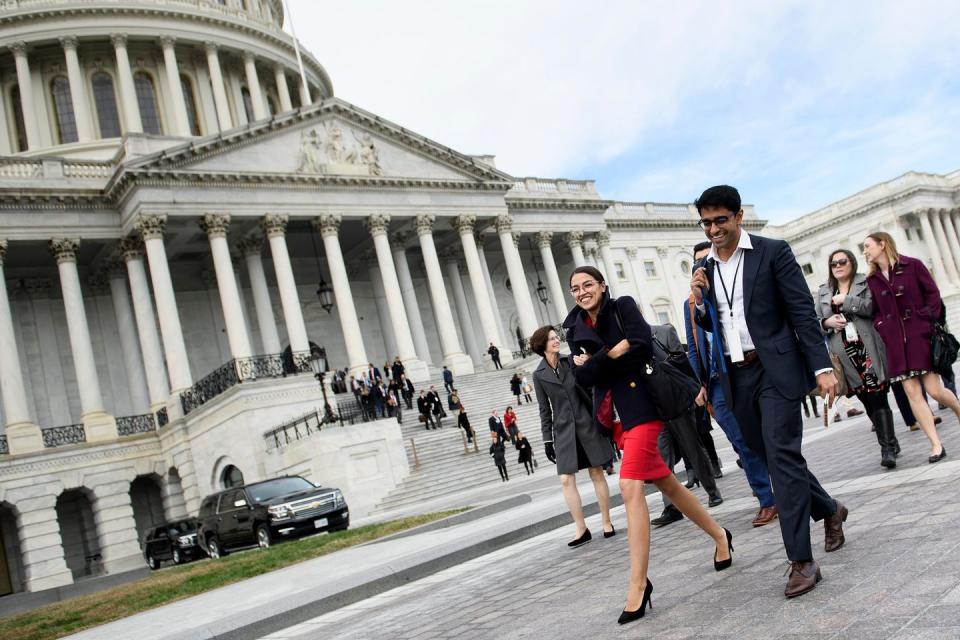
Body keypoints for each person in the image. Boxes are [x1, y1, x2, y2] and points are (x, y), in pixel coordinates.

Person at [690, 185, 845, 598]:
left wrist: (822, 366)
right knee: (768, 456)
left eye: (721, 219)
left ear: (739, 216)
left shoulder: (773, 252)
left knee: (781, 454)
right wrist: (700, 302)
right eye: (706, 222)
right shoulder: (705, 266)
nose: (714, 228)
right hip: (734, 377)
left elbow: (800, 311)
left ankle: (801, 561)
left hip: (775, 369)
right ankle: (829, 509)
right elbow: (714, 323)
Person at [565, 266, 731, 624]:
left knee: (629, 486)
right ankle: (720, 535)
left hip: (643, 405)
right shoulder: (573, 326)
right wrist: (610, 355)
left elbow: (639, 347)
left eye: (588, 285)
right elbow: (581, 377)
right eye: (575, 288)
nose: (582, 292)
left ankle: (638, 584)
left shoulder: (622, 306)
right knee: (668, 484)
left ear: (602, 285)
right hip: (616, 417)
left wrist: (597, 360)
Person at [682, 240, 778, 528]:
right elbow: (693, 346)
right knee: (741, 441)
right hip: (716, 381)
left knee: (768, 437)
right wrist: (698, 384)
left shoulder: (734, 291)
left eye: (707, 262)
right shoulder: (691, 303)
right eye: (698, 264)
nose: (703, 268)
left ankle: (784, 487)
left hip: (746, 370)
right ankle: (767, 499)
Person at [864, 232, 960, 462]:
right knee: (912, 392)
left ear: (882, 244)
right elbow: (875, 310)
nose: (865, 251)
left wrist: (925, 318)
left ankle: (958, 409)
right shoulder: (872, 280)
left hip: (920, 337)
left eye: (868, 246)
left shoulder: (912, 265)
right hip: (895, 344)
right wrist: (882, 325)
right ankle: (936, 444)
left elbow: (933, 294)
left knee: (935, 391)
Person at [530, 325, 616, 548]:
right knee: (566, 479)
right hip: (563, 431)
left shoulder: (571, 362)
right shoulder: (538, 375)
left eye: (556, 337)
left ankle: (606, 522)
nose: (556, 340)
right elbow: (544, 409)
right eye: (551, 339)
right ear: (542, 345)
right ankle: (581, 528)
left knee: (596, 472)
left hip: (586, 424)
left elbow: (591, 389)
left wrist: (588, 364)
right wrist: (547, 439)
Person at [816, 248, 900, 468]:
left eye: (842, 262)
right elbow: (814, 320)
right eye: (834, 263)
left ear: (852, 262)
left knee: (878, 396)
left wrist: (847, 300)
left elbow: (874, 307)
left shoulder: (867, 282)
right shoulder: (824, 290)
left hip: (868, 348)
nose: (838, 266)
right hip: (844, 354)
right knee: (865, 398)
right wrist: (827, 323)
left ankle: (887, 448)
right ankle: (889, 439)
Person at [650, 323, 724, 512]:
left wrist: (695, 391)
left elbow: (682, 363)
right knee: (663, 457)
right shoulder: (628, 344)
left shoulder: (664, 332)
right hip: (655, 409)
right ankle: (671, 506)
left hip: (677, 403)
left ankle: (712, 490)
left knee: (693, 448)